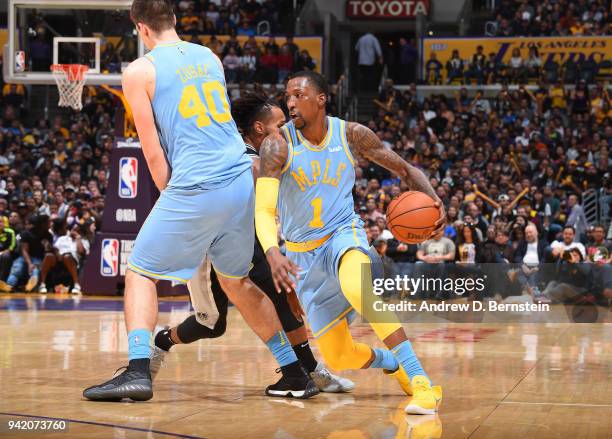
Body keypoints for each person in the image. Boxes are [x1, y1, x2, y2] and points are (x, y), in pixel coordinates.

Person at [83, 0, 316, 402]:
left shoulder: (138, 71)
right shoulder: (209, 57)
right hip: (241, 175)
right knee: (236, 281)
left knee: (139, 270)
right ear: (174, 20)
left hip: (197, 182)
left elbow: (152, 148)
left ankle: (138, 369)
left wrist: (170, 198)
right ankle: (294, 373)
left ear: (140, 28)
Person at [256, 70, 444, 414]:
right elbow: (265, 209)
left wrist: (433, 199)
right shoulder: (276, 144)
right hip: (302, 258)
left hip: (344, 236)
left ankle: (421, 383)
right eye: (287, 97)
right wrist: (272, 251)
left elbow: (404, 170)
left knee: (359, 288)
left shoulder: (352, 134)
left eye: (298, 95)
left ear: (321, 98)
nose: (291, 102)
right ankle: (393, 362)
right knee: (339, 355)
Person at [151, 89, 354, 394]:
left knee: (284, 297)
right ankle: (161, 341)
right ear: (259, 129)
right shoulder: (245, 162)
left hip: (246, 243)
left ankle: (308, 372)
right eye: (280, 123)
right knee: (211, 324)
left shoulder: (265, 158)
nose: (287, 129)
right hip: (209, 249)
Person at [0, 214, 52, 293]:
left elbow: (48, 250)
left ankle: (30, 286)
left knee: (35, 270)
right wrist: (29, 263)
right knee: (17, 268)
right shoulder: (23, 233)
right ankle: (9, 286)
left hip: (38, 258)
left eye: (29, 224)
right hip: (23, 256)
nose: (28, 225)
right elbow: (19, 243)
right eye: (27, 224)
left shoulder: (48, 235)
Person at [38, 219, 89, 294]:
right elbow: (55, 249)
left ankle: (76, 285)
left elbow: (81, 252)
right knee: (48, 255)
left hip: (72, 261)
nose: (73, 230)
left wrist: (78, 238)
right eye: (73, 228)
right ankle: (42, 284)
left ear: (80, 232)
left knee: (67, 256)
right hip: (58, 259)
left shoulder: (84, 240)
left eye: (76, 229)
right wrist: (54, 251)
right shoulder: (62, 238)